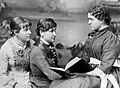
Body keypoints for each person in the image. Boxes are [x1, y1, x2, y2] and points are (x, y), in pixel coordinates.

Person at [49, 5, 120, 88]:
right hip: (91, 71)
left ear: (101, 20)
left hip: (105, 75)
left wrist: (80, 73)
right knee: (56, 82)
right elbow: (85, 60)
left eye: (91, 19)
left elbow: (103, 70)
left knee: (71, 84)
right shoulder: (93, 36)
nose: (89, 22)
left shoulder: (111, 38)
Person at [0, 16, 35, 88]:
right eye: (26, 30)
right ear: (16, 32)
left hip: (29, 81)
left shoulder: (32, 44)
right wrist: (15, 85)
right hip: (10, 84)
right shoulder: (6, 48)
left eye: (29, 29)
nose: (30, 32)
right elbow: (2, 75)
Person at [30, 18, 62, 88]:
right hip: (41, 85)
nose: (55, 34)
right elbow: (51, 75)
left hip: (51, 84)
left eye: (55, 31)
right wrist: (69, 76)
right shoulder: (37, 51)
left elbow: (54, 67)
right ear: (41, 32)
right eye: (51, 31)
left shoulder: (49, 45)